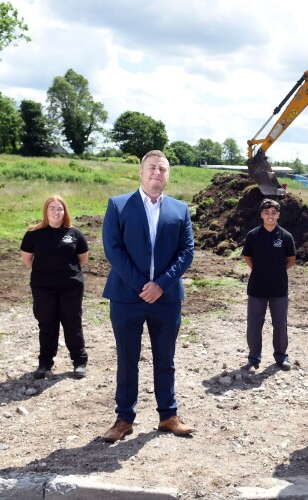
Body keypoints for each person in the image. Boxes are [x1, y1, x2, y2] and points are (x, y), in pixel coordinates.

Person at [100, 150, 195, 443]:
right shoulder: (118, 205)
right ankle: (124, 419)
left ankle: (168, 415)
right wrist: (143, 285)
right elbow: (113, 249)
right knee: (127, 359)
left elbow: (186, 252)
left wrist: (161, 285)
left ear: (168, 175)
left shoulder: (180, 210)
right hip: (127, 297)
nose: (157, 172)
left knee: (165, 359)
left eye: (163, 169)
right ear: (141, 173)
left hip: (165, 299)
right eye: (152, 168)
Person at [20, 195, 89, 380]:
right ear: (46, 211)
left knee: (72, 324)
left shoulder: (75, 233)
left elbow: (82, 258)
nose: (56, 212)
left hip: (71, 287)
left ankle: (79, 362)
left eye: (60, 208)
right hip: (43, 288)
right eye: (52, 208)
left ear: (65, 211)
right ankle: (44, 364)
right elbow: (27, 258)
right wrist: (45, 270)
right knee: (47, 324)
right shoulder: (34, 234)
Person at [242, 198, 296, 371]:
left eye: (273, 212)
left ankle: (281, 357)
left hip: (279, 288)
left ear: (278, 215)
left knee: (280, 324)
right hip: (257, 288)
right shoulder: (253, 235)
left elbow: (291, 259)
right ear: (261, 215)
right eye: (267, 212)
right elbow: (248, 257)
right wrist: (260, 271)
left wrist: (276, 271)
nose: (270, 216)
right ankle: (253, 358)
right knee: (254, 324)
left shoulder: (286, 236)